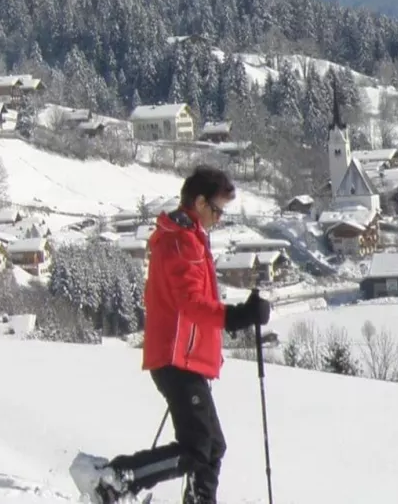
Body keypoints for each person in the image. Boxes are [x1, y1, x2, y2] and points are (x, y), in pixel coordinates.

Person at [72, 165, 270, 504]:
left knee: (211, 446)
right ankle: (116, 480)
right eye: (217, 210)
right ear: (200, 201)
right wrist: (238, 316)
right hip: (177, 358)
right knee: (196, 447)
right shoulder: (182, 242)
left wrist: (238, 312)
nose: (219, 219)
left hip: (187, 359)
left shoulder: (189, 238)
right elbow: (190, 304)